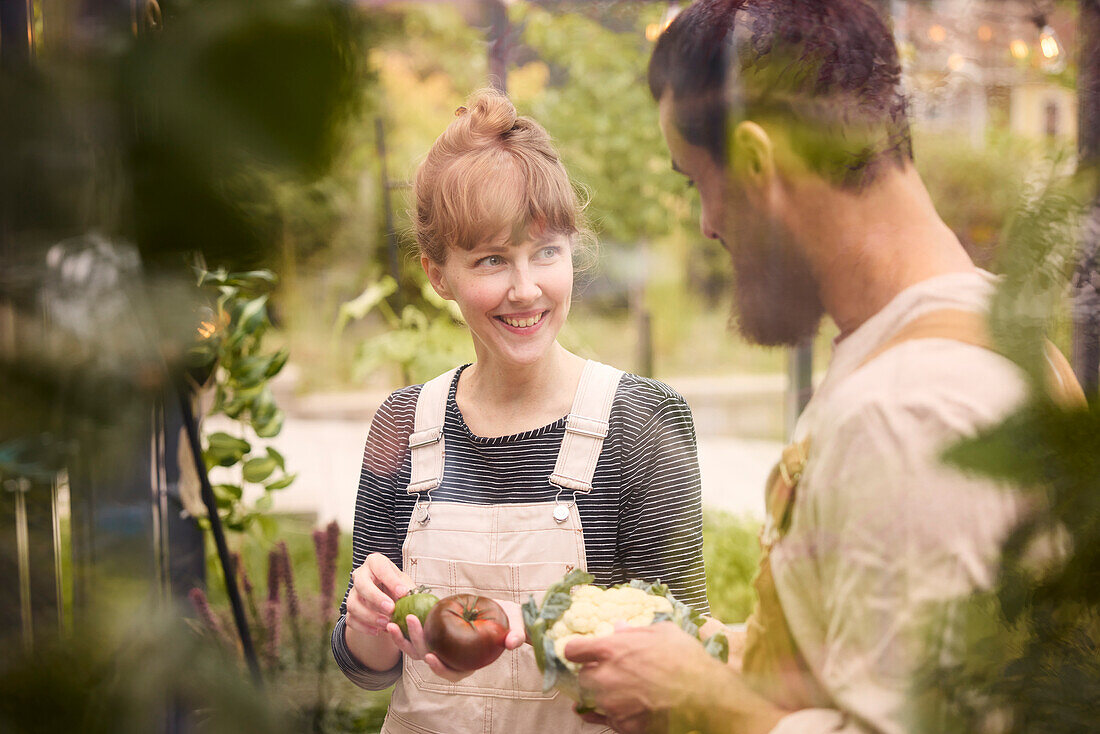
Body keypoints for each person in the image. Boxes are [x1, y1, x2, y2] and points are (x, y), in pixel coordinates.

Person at [563, 1, 1085, 733]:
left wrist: (700, 703)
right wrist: (708, 653)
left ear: (756, 162)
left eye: (695, 182)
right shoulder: (984, 329)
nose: (707, 223)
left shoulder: (910, 414)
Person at [329, 89, 711, 734]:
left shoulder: (641, 421)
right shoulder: (401, 426)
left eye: (546, 252)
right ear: (438, 274)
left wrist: (512, 628)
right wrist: (365, 623)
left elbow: (685, 656)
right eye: (490, 260)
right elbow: (367, 669)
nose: (526, 289)